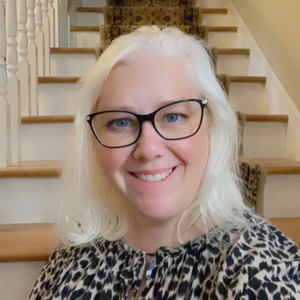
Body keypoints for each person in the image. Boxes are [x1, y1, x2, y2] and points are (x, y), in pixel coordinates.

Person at [29, 26, 300, 299]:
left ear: (212, 126)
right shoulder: (71, 258)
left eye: (174, 117)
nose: (148, 149)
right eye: (121, 122)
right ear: (92, 141)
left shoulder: (262, 272)